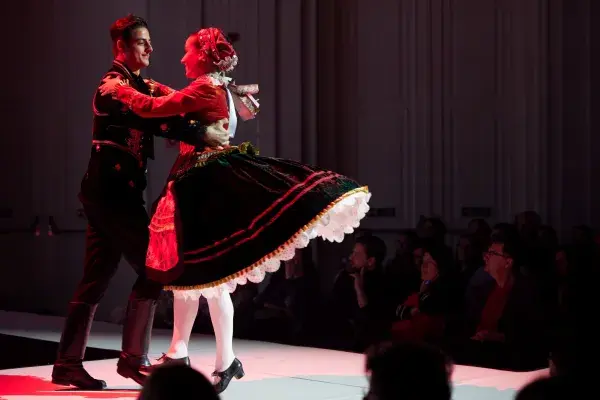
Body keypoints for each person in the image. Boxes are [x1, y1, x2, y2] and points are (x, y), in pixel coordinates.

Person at [99, 27, 371, 393]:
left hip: (202, 186)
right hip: (195, 182)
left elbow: (156, 108)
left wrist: (122, 91)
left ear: (203, 56)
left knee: (211, 278)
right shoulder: (216, 86)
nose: (182, 58)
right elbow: (174, 98)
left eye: (187, 51)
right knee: (191, 276)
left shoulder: (205, 88)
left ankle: (224, 359)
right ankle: (181, 350)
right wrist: (150, 86)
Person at [51, 15, 227, 390]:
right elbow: (153, 119)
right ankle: (132, 358)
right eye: (142, 42)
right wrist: (201, 132)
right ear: (122, 46)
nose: (150, 48)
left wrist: (221, 93)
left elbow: (177, 100)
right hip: (111, 196)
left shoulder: (140, 84)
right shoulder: (112, 88)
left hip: (115, 195)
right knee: (154, 268)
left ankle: (67, 364)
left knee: (95, 278)